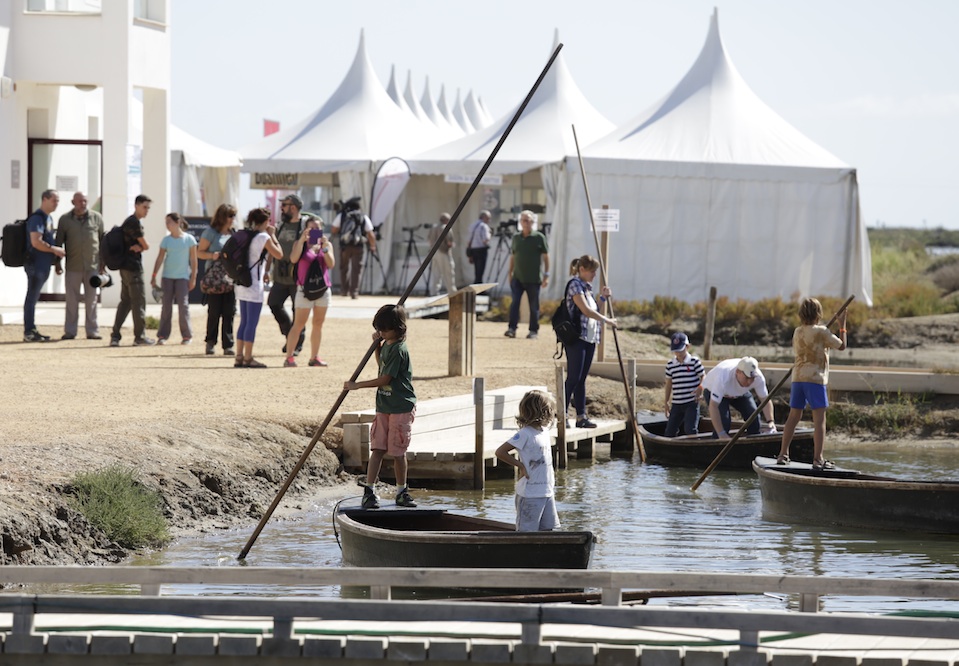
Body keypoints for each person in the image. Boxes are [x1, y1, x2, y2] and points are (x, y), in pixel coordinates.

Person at [344, 304, 416, 510]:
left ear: (398, 328)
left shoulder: (399, 349)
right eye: (379, 329)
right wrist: (377, 346)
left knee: (397, 452)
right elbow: (382, 365)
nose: (381, 332)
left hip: (400, 407)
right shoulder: (387, 345)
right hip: (384, 405)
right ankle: (369, 490)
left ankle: (402, 491)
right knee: (377, 449)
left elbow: (385, 378)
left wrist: (357, 386)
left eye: (385, 329)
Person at [777, 298, 848, 470]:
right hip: (815, 380)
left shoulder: (797, 332)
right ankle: (818, 459)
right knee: (819, 421)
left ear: (801, 314)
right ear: (818, 314)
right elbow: (842, 346)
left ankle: (783, 454)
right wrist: (842, 325)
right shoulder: (822, 331)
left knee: (793, 417)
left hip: (798, 378)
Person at [561, 255, 616, 428]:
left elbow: (594, 309)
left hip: (590, 338)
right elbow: (585, 310)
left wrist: (603, 298)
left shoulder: (587, 287)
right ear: (582, 270)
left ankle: (581, 417)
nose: (594, 275)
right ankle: (562, 414)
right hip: (577, 338)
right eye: (592, 271)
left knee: (582, 379)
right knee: (573, 378)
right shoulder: (575, 285)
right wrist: (608, 321)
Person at [494, 389, 560, 531]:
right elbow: (500, 452)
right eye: (550, 410)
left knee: (549, 530)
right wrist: (520, 466)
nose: (553, 413)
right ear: (542, 411)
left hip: (547, 491)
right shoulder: (525, 434)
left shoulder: (544, 431)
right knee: (527, 531)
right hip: (530, 494)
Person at [267, 194, 315, 356]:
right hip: (280, 276)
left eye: (284, 205)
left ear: (293, 207)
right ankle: (290, 336)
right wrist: (267, 270)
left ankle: (296, 344)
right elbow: (272, 249)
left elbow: (318, 248)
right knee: (273, 303)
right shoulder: (280, 226)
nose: (281, 208)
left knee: (298, 311)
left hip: (298, 277)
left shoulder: (307, 224)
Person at [234, 207, 283, 368]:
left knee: (243, 322)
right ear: (265, 221)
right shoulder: (263, 237)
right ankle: (248, 358)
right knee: (251, 323)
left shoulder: (245, 234)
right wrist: (273, 235)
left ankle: (239, 356)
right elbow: (279, 254)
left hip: (242, 283)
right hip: (254, 284)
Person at [283, 217, 335, 368]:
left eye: (317, 228)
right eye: (311, 229)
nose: (314, 232)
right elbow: (293, 259)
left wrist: (324, 247)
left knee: (318, 324)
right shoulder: (300, 244)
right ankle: (289, 357)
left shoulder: (326, 245)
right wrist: (301, 241)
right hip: (304, 290)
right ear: (305, 229)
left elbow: (331, 264)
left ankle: (314, 357)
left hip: (322, 289)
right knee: (298, 324)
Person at [56, 191, 104, 340]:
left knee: (92, 300)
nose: (82, 204)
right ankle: (70, 331)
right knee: (71, 300)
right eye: (79, 201)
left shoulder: (97, 218)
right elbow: (58, 243)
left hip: (93, 266)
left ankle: (92, 331)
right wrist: (57, 264)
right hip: (73, 266)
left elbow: (102, 241)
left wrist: (103, 264)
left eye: (85, 201)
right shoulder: (64, 220)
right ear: (73, 202)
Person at [110, 194, 155, 347]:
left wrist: (140, 247)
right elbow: (146, 245)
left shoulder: (130, 222)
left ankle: (115, 335)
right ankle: (139, 337)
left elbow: (142, 245)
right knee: (138, 302)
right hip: (133, 268)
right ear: (136, 206)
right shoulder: (133, 223)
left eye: (148, 208)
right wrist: (142, 247)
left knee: (126, 302)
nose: (146, 211)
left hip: (126, 267)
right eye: (144, 207)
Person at [23, 189, 65, 342]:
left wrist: (55, 262)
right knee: (31, 297)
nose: (57, 204)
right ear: (45, 199)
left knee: (34, 298)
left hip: (43, 264)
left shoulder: (48, 218)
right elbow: (36, 242)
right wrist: (55, 250)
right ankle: (29, 331)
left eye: (58, 200)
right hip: (35, 264)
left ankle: (31, 329)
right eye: (54, 200)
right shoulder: (37, 218)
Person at [150, 213, 198, 345]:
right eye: (166, 222)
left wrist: (193, 277)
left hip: (182, 278)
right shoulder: (166, 240)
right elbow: (160, 258)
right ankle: (163, 335)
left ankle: (187, 336)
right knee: (166, 307)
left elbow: (193, 260)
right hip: (167, 278)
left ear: (178, 223)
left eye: (169, 222)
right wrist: (154, 275)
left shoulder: (189, 239)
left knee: (183, 306)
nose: (167, 225)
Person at [701, 356, 777, 439]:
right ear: (738, 372)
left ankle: (753, 445)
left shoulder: (758, 378)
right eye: (747, 378)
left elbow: (765, 400)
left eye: (752, 378)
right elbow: (713, 406)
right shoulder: (723, 377)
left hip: (739, 393)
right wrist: (721, 433)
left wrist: (771, 421)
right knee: (724, 422)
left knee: (753, 416)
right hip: (715, 392)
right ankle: (715, 447)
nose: (750, 382)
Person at [197, 203, 237, 356]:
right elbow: (199, 252)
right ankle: (210, 342)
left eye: (234, 216)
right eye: (230, 215)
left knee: (229, 311)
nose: (232, 219)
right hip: (214, 277)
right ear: (222, 216)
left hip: (230, 277)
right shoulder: (210, 233)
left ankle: (228, 345)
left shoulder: (233, 233)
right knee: (214, 311)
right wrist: (212, 255)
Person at [505, 210, 550, 339]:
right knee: (514, 304)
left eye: (529, 220)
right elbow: (513, 256)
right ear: (520, 222)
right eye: (524, 220)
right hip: (518, 278)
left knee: (533, 306)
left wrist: (546, 275)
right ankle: (511, 328)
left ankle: (533, 331)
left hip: (534, 279)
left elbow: (546, 257)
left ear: (532, 222)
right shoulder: (516, 238)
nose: (526, 223)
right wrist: (510, 273)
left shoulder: (539, 237)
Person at [331, 196, 377, 299]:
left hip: (344, 246)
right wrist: (373, 246)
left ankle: (344, 291)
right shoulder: (363, 216)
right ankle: (354, 292)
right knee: (356, 269)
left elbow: (333, 230)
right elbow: (371, 234)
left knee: (344, 268)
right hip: (358, 246)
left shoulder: (342, 215)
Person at [663, 332, 706, 437]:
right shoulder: (670, 365)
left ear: (687, 347)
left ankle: (694, 449)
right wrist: (666, 401)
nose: (678, 353)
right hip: (677, 403)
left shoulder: (694, 361)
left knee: (690, 429)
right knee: (670, 431)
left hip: (691, 402)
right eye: (675, 350)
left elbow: (704, 376)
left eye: (680, 350)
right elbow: (669, 384)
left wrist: (701, 387)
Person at [427, 213, 456, 294]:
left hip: (433, 252)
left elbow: (429, 240)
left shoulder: (433, 227)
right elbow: (449, 242)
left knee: (436, 273)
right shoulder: (446, 228)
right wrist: (452, 245)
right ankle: (452, 292)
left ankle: (434, 292)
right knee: (449, 272)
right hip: (443, 252)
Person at [465, 209, 491, 284]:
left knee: (476, 269)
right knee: (481, 270)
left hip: (473, 249)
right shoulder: (484, 226)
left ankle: (477, 284)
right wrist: (490, 235)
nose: (489, 220)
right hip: (481, 250)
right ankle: (478, 285)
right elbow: (485, 239)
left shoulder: (472, 225)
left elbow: (468, 240)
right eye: (488, 218)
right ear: (484, 217)